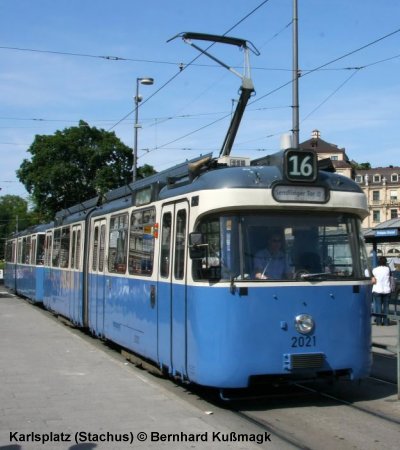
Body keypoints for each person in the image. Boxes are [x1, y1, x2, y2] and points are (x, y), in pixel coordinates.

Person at [371, 256, 391, 326]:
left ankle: (379, 323)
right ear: (385, 262)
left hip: (377, 290)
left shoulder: (375, 270)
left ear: (378, 262)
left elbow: (373, 280)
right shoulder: (388, 269)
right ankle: (386, 322)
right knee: (386, 307)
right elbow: (390, 278)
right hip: (386, 290)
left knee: (378, 306)